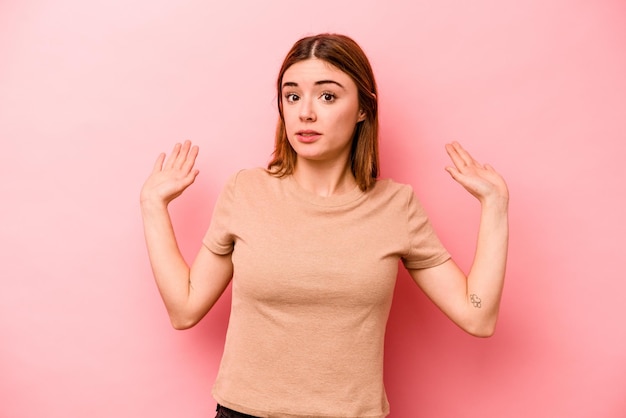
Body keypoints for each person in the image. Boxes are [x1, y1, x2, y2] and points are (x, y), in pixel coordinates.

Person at [140, 33, 509, 418]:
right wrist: (153, 206)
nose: (305, 113)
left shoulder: (396, 206)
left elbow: (477, 314)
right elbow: (184, 309)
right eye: (292, 95)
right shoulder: (245, 191)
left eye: (327, 96)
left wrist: (495, 206)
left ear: (364, 108)